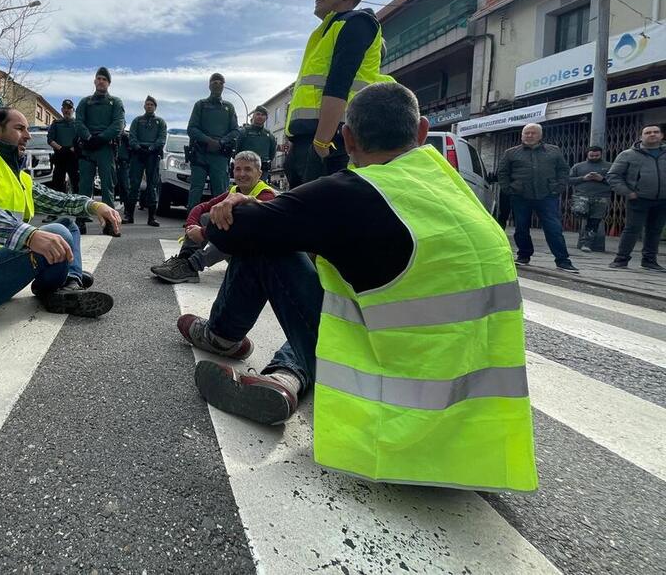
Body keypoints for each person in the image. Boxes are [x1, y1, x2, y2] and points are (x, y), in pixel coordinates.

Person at [173, 82, 537, 493]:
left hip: (388, 415)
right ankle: (287, 375)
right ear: (421, 132)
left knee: (269, 247)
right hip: (477, 442)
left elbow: (238, 235)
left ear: (346, 138)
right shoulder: (462, 197)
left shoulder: (351, 193)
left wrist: (244, 206)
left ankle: (222, 336)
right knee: (349, 282)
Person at [0, 107, 119, 319]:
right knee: (58, 233)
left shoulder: (15, 173)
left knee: (66, 225)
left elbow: (57, 200)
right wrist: (29, 235)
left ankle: (69, 283)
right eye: (20, 128)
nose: (27, 136)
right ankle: (59, 284)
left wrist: (94, 206)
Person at [284, 0, 393, 188]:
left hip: (331, 143)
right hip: (314, 142)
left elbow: (338, 85)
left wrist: (320, 146)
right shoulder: (327, 31)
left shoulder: (357, 23)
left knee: (318, 219)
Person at [151, 150, 276, 283]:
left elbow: (242, 222)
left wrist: (204, 233)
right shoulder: (233, 191)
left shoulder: (267, 194)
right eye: (238, 169)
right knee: (206, 216)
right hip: (239, 252)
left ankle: (192, 265)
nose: (242, 174)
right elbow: (201, 207)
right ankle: (184, 260)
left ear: (259, 174)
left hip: (262, 259)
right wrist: (191, 227)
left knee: (235, 225)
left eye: (248, 169)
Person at [497, 123, 577, 272]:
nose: (529, 135)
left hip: (547, 196)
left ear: (540, 135)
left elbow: (563, 170)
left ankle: (563, 260)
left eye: (533, 133)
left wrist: (558, 188)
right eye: (526, 133)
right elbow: (502, 173)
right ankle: (524, 255)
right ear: (521, 135)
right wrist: (509, 189)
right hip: (520, 196)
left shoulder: (554, 151)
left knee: (554, 229)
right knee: (521, 228)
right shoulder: (511, 153)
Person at [607, 124, 666, 271]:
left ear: (661, 136)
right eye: (648, 132)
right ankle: (621, 259)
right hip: (638, 198)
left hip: (663, 199)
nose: (652, 134)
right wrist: (628, 192)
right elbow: (613, 176)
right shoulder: (628, 154)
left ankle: (649, 261)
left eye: (656, 132)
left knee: (655, 230)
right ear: (641, 137)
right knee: (632, 229)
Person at [75, 66, 124, 235]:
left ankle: (110, 224)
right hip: (87, 147)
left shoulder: (115, 102)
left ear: (108, 83)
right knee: (84, 185)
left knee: (107, 186)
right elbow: (79, 122)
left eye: (104, 79)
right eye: (99, 78)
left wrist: (101, 138)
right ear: (94, 81)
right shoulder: (85, 102)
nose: (101, 81)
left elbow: (118, 124)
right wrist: (89, 138)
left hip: (105, 147)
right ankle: (80, 221)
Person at [186, 72, 239, 211]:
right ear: (209, 85)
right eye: (214, 82)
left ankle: (218, 221)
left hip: (220, 156)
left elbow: (235, 131)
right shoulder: (200, 105)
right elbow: (191, 128)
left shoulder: (229, 107)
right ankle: (192, 220)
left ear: (224, 86)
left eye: (221, 82)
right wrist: (208, 140)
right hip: (200, 153)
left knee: (221, 190)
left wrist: (221, 142)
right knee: (196, 188)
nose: (217, 84)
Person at [125, 95, 167, 226]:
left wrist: (151, 148)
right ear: (144, 106)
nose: (149, 106)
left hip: (152, 155)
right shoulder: (137, 121)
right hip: (138, 155)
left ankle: (152, 218)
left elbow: (161, 139)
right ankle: (129, 215)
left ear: (155, 107)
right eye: (147, 104)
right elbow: (132, 137)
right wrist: (138, 148)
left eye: (152, 105)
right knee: (134, 184)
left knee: (152, 186)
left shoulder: (160, 122)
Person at [568, 145, 612, 253]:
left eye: (597, 155)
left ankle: (586, 244)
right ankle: (583, 240)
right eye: (592, 155)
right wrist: (584, 178)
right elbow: (568, 180)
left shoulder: (609, 166)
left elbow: (616, 182)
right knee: (580, 214)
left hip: (601, 197)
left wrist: (602, 179)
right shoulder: (578, 166)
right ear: (587, 154)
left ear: (601, 154)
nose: (594, 157)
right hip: (582, 196)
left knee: (594, 221)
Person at [47, 98, 82, 193]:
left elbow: (82, 139)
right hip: (60, 156)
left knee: (76, 183)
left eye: (69, 108)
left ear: (73, 110)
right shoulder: (56, 123)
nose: (67, 110)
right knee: (57, 184)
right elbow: (50, 139)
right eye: (65, 108)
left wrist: (74, 148)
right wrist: (61, 148)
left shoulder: (78, 124)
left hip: (73, 157)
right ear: (62, 110)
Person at [235, 106, 277, 181]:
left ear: (266, 118)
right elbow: (236, 150)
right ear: (253, 116)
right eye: (258, 114)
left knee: (259, 190)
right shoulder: (244, 132)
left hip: (262, 170)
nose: (260, 117)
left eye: (263, 115)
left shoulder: (269, 135)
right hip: (245, 169)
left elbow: (272, 154)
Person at [114, 130, 131, 207]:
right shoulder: (112, 135)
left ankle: (127, 208)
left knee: (125, 186)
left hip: (124, 163)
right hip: (113, 162)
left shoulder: (126, 136)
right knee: (112, 185)